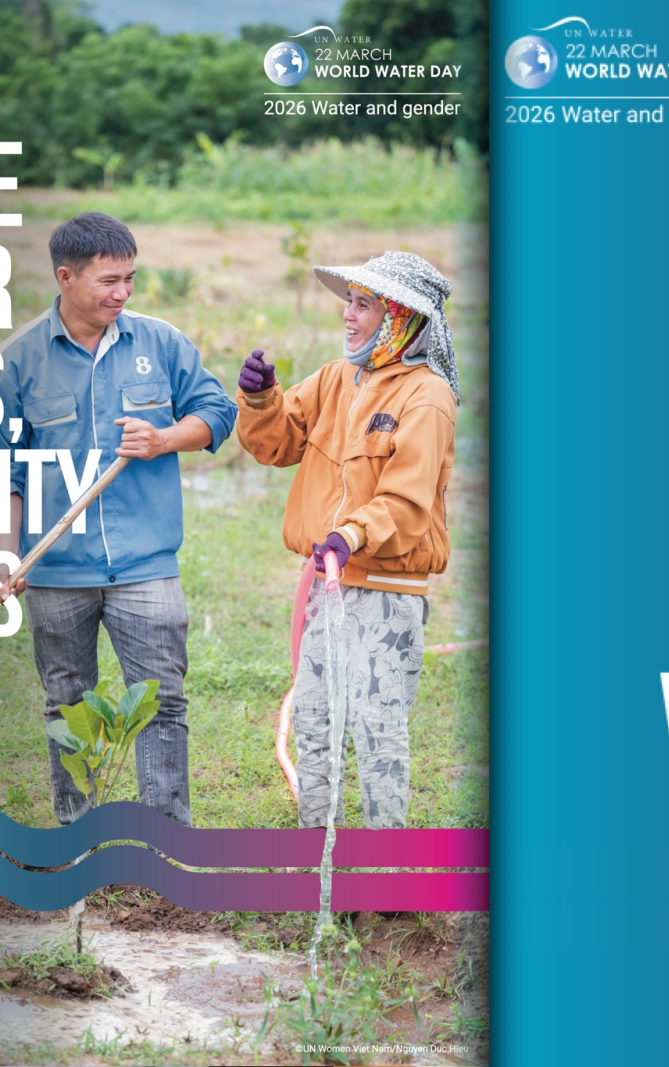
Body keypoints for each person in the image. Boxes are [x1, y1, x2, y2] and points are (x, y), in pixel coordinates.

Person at [0, 212, 237, 826]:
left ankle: (166, 840)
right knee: (68, 705)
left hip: (146, 565)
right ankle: (78, 836)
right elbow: (3, 470)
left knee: (162, 702)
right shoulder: (14, 362)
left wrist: (165, 438)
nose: (122, 293)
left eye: (130, 279)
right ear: (65, 278)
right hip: (56, 571)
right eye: (108, 281)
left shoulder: (161, 344)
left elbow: (217, 413)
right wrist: (7, 555)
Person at [236, 250, 459, 830]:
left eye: (364, 305)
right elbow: (277, 443)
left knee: (378, 735)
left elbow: (407, 502)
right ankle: (318, 857)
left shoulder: (427, 396)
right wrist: (261, 400)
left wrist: (350, 535)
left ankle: (385, 874)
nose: (349, 315)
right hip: (326, 587)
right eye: (350, 303)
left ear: (401, 319)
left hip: (385, 592)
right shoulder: (337, 378)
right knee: (314, 725)